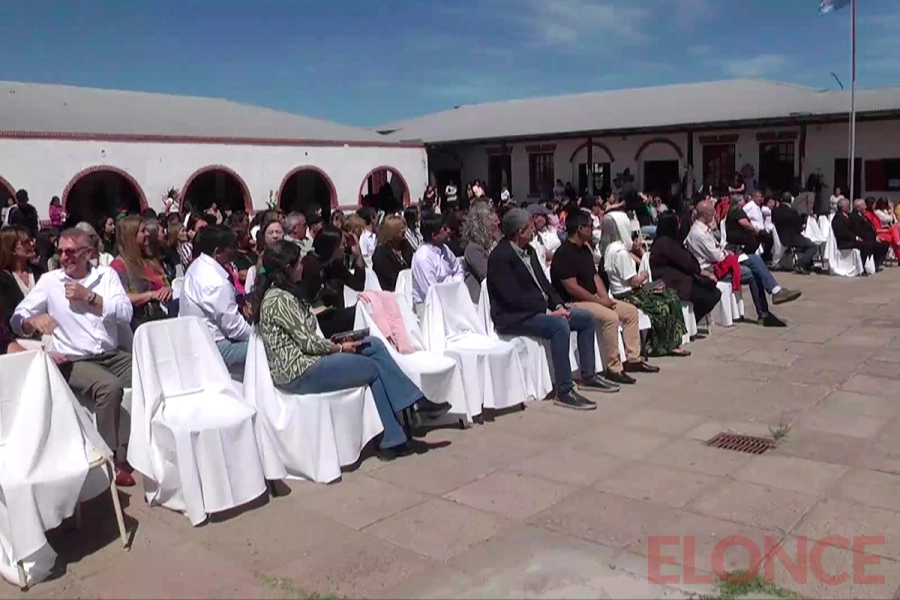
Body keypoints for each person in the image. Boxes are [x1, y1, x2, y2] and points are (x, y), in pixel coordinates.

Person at [253, 241, 449, 460]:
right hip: (300, 370)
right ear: (287, 267)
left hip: (308, 359)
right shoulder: (281, 299)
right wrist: (339, 347)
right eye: (298, 262)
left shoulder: (284, 294)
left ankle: (405, 418)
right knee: (372, 368)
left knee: (373, 345)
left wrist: (341, 342)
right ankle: (398, 429)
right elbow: (308, 343)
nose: (302, 266)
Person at [12, 227, 135, 486]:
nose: (63, 258)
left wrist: (88, 297)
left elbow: (125, 313)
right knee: (109, 388)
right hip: (75, 361)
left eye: (70, 252)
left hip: (112, 355)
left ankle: (148, 446)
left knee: (151, 370)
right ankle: (111, 458)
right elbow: (17, 319)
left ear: (88, 252)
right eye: (59, 252)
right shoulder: (50, 281)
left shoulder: (106, 275)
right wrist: (32, 321)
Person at [487, 208, 615, 408]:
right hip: (515, 316)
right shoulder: (500, 257)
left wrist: (558, 304)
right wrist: (548, 311)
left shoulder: (528, 251)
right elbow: (512, 298)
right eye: (530, 228)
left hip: (538, 309)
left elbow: (545, 285)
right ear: (520, 232)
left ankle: (588, 375)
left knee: (586, 318)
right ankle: (564, 390)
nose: (534, 231)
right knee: (559, 326)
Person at [550, 211, 657, 384]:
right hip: (574, 303)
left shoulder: (585, 249)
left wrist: (604, 297)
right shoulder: (564, 253)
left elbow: (595, 277)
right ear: (580, 228)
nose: (592, 229)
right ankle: (613, 368)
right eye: (589, 226)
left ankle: (633, 359)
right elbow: (572, 287)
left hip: (593, 298)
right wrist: (599, 302)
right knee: (610, 318)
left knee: (630, 312)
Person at [686, 200, 800, 327]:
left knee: (754, 263)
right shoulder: (698, 233)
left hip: (718, 264)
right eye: (712, 213)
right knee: (752, 268)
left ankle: (771, 300)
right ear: (706, 215)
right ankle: (768, 304)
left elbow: (716, 250)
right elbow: (717, 256)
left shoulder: (702, 230)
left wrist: (726, 253)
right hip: (710, 270)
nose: (714, 216)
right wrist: (728, 254)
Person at [600, 211, 690, 357]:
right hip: (630, 295)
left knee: (669, 296)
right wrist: (643, 275)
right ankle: (665, 345)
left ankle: (667, 342)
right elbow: (634, 281)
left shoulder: (609, 248)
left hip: (621, 293)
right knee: (669, 301)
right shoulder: (621, 253)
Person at [180, 225, 252, 369]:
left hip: (196, 340)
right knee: (268, 349)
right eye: (232, 246)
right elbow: (235, 328)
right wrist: (259, 337)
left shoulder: (197, 266)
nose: (236, 249)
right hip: (214, 347)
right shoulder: (215, 282)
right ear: (217, 252)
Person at [649, 212, 721, 322]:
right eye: (677, 223)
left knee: (711, 288)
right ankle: (688, 322)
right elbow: (688, 262)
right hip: (672, 283)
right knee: (712, 295)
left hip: (680, 279)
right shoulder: (665, 243)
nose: (679, 225)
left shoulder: (667, 241)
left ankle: (690, 322)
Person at [110, 215, 173, 330]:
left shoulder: (150, 260)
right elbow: (121, 298)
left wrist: (167, 290)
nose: (147, 234)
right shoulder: (119, 265)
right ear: (131, 236)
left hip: (162, 320)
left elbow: (164, 282)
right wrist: (150, 295)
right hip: (140, 326)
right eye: (142, 231)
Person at [311, 225, 366, 337]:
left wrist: (358, 255)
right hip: (321, 321)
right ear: (332, 246)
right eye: (342, 243)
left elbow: (358, 285)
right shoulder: (310, 266)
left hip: (338, 316)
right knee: (362, 315)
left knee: (367, 309)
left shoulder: (335, 266)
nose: (345, 246)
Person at [411, 212, 465, 306]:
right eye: (444, 229)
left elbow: (458, 269)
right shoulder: (423, 258)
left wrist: (454, 286)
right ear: (434, 235)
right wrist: (451, 285)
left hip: (451, 299)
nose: (448, 231)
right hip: (430, 307)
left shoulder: (444, 249)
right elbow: (432, 291)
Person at [0, 225, 43, 330]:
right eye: (26, 242)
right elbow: (7, 317)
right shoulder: (3, 280)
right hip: (17, 337)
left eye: (31, 240)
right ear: (12, 249)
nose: (32, 244)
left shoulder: (40, 273)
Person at [833, 198, 889, 273]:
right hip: (844, 242)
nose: (849, 207)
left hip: (854, 239)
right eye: (847, 205)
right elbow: (843, 233)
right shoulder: (838, 218)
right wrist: (856, 237)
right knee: (866, 245)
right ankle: (861, 267)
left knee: (881, 244)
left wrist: (874, 236)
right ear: (843, 207)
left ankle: (873, 265)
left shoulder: (849, 215)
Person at [462, 203, 499, 303]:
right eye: (495, 222)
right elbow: (488, 274)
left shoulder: (494, 243)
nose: (498, 223)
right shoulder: (473, 249)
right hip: (479, 302)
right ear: (482, 225)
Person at [773, 193, 818, 274]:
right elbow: (799, 227)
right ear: (790, 200)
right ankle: (801, 263)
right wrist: (803, 225)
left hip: (780, 236)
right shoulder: (792, 212)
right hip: (792, 238)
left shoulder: (775, 211)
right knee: (813, 246)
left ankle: (808, 265)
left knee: (807, 242)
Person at [372, 215, 415, 292]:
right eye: (401, 228)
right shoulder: (381, 253)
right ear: (392, 231)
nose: (405, 230)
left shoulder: (405, 246)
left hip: (409, 288)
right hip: (390, 290)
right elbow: (389, 279)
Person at [528, 204, 561, 269]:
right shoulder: (528, 240)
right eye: (545, 217)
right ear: (536, 218)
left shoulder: (540, 238)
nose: (546, 221)